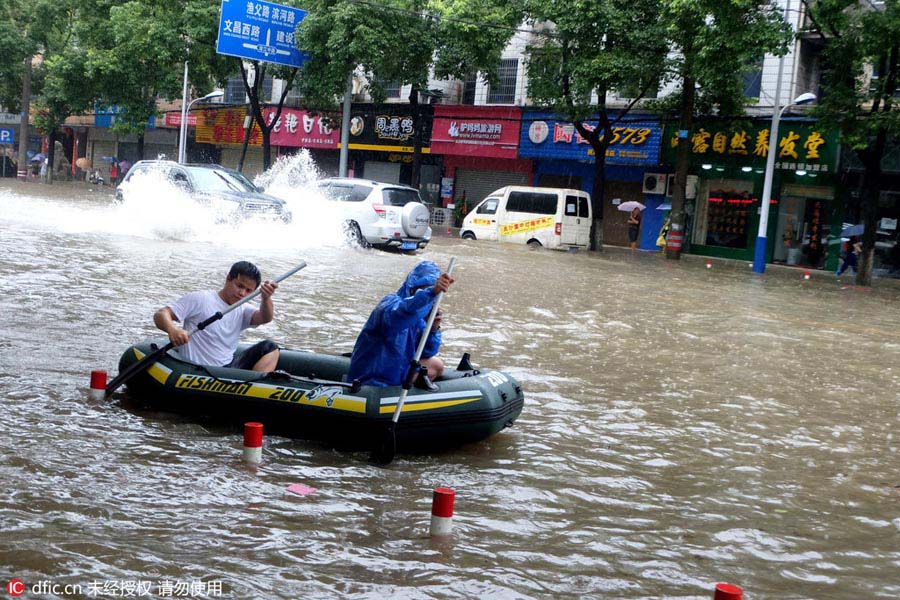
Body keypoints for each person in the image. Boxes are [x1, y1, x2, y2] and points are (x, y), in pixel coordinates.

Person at [153, 261, 281, 372]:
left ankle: (253, 392)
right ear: (228, 279)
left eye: (248, 291)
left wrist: (266, 298)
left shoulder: (243, 309)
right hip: (197, 371)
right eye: (239, 286)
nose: (242, 293)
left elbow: (265, 318)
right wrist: (173, 330)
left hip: (226, 370)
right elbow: (161, 314)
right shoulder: (201, 299)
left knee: (270, 347)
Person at [347, 261, 454, 388]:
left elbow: (426, 352)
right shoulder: (389, 305)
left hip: (399, 373)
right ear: (411, 287)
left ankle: (404, 392)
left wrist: (433, 328)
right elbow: (401, 314)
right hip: (372, 377)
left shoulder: (421, 317)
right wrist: (431, 293)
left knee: (436, 365)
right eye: (422, 289)